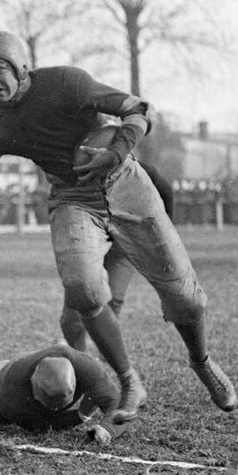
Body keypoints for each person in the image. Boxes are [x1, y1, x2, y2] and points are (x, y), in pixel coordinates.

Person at [0, 31, 236, 425]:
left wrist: (116, 151)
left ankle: (201, 362)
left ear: (21, 66)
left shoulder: (67, 83)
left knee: (186, 300)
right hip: (72, 197)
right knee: (83, 290)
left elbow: (138, 109)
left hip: (126, 182)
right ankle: (127, 380)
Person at [58, 148, 176, 353]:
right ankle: (79, 356)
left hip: (123, 244)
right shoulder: (84, 174)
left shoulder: (144, 173)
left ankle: (106, 350)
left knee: (113, 298)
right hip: (90, 242)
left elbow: (166, 192)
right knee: (77, 305)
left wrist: (163, 230)